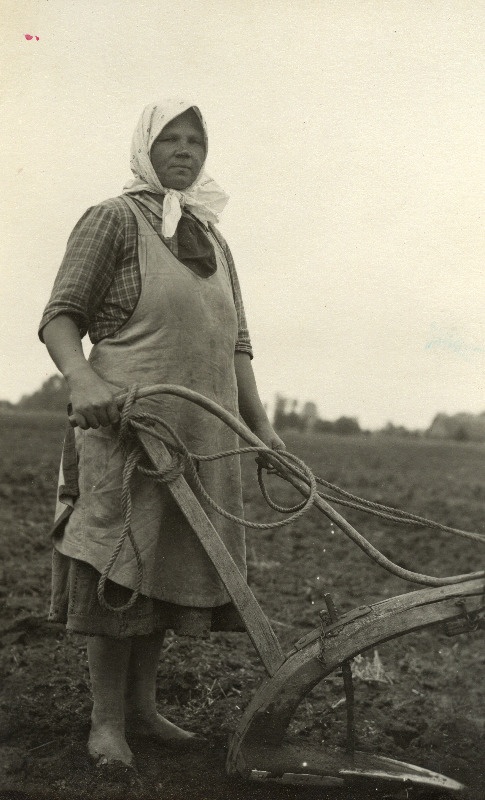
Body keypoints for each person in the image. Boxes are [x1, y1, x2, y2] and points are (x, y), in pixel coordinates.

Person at [39, 98, 284, 768]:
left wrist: (262, 428)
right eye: (170, 139)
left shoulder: (212, 238)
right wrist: (83, 381)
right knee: (120, 566)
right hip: (125, 428)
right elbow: (61, 316)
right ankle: (106, 723)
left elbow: (236, 343)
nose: (183, 151)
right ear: (144, 146)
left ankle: (144, 712)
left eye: (195, 141)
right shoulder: (112, 220)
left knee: (167, 568)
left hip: (201, 434)